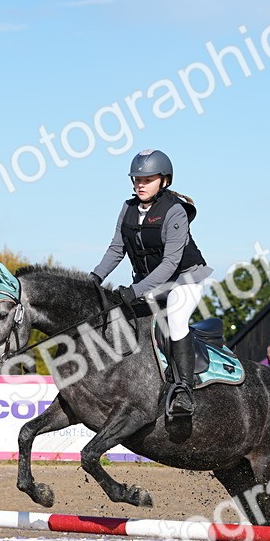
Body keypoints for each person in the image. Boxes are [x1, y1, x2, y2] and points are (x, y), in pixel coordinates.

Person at [91, 149, 213, 417]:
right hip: (151, 284)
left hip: (185, 278)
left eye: (147, 179)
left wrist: (135, 290)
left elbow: (170, 264)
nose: (140, 184)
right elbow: (116, 249)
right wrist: (95, 278)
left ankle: (184, 390)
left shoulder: (175, 211)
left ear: (164, 181)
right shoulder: (128, 208)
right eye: (136, 179)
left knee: (177, 319)